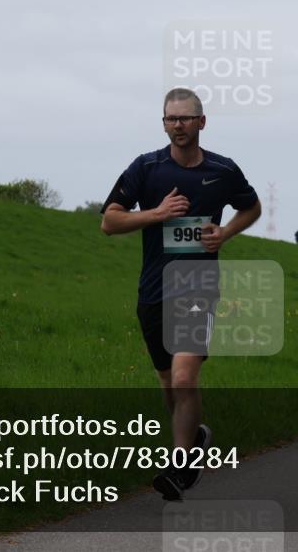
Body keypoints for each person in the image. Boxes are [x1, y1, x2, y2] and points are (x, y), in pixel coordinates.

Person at [100, 87, 261, 499]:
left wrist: (225, 232)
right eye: (171, 119)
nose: (178, 125)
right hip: (153, 290)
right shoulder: (147, 168)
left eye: (186, 118)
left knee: (186, 376)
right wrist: (156, 214)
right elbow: (109, 222)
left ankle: (178, 468)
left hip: (197, 286)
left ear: (202, 122)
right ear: (164, 123)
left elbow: (252, 207)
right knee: (170, 385)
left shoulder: (223, 171)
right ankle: (195, 440)